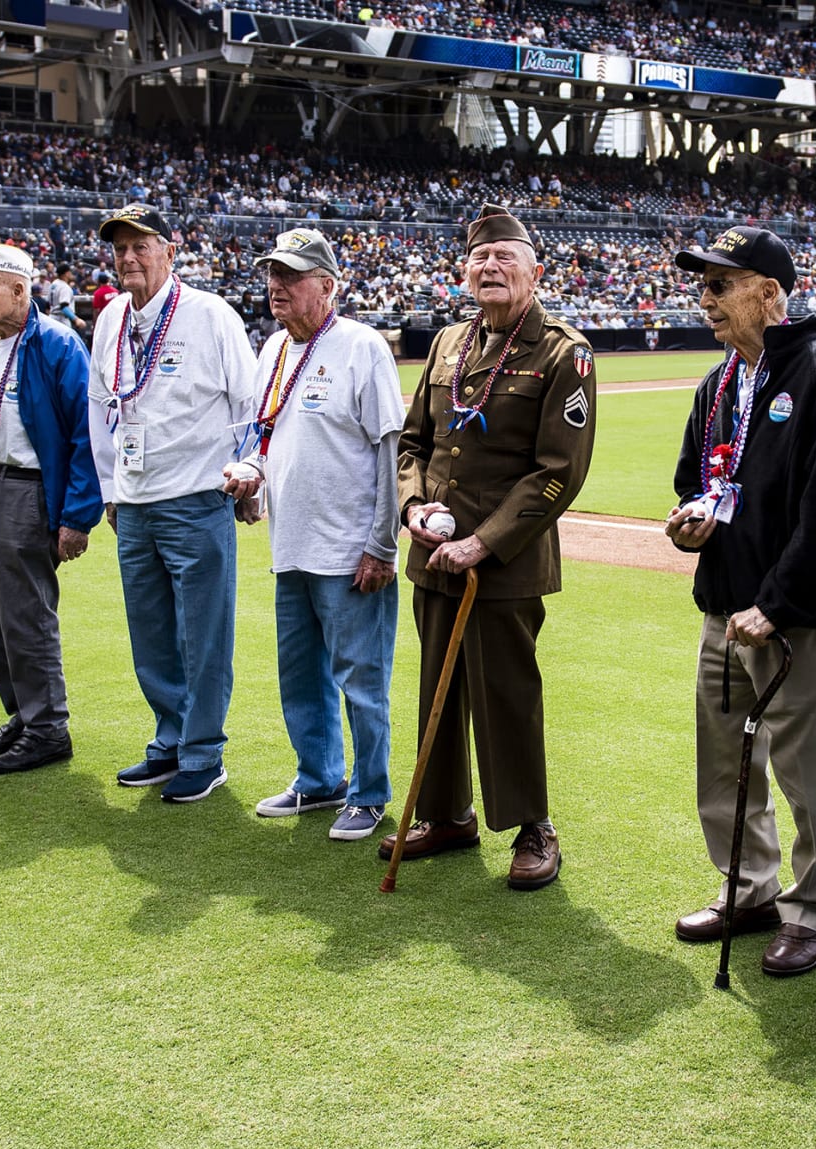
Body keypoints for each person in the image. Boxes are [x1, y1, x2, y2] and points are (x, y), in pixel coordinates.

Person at [664, 226, 816, 976]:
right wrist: (690, 522)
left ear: (769, 294)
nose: (706, 298)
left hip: (796, 620)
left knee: (808, 776)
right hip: (723, 604)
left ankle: (812, 911)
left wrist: (777, 603)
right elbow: (695, 477)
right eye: (704, 284)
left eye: (721, 284)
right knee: (721, 766)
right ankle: (749, 889)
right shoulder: (718, 382)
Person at [385, 204, 597, 891]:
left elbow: (559, 471)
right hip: (434, 555)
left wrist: (485, 541)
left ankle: (534, 825)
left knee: (507, 692)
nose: (491, 267)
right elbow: (414, 442)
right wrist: (414, 506)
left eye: (506, 257)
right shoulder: (449, 342)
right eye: (480, 258)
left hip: (503, 562)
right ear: (463, 271)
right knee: (436, 694)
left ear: (536, 272)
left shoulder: (564, 352)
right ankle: (447, 816)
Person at [220, 228, 406, 842]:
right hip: (292, 544)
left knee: (361, 679)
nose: (277, 285)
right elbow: (264, 434)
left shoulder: (362, 346)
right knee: (300, 675)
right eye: (273, 273)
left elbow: (388, 448)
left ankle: (370, 791)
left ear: (327, 286)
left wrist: (382, 543)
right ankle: (318, 779)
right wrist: (251, 471)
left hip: (350, 549)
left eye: (292, 276)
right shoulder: (273, 346)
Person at [85, 203, 262, 802]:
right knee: (152, 632)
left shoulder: (209, 313)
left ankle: (204, 752)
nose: (129, 258)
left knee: (203, 633)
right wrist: (111, 489)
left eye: (141, 246)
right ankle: (169, 738)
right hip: (134, 501)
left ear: (169, 249)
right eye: (120, 248)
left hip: (195, 496)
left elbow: (250, 403)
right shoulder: (110, 317)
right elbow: (99, 406)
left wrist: (250, 475)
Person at [0, 242, 101, 775]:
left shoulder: (58, 344)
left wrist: (76, 517)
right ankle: (22, 713)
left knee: (27, 613)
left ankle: (47, 728)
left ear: (18, 290)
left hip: (29, 489)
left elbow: (87, 435)